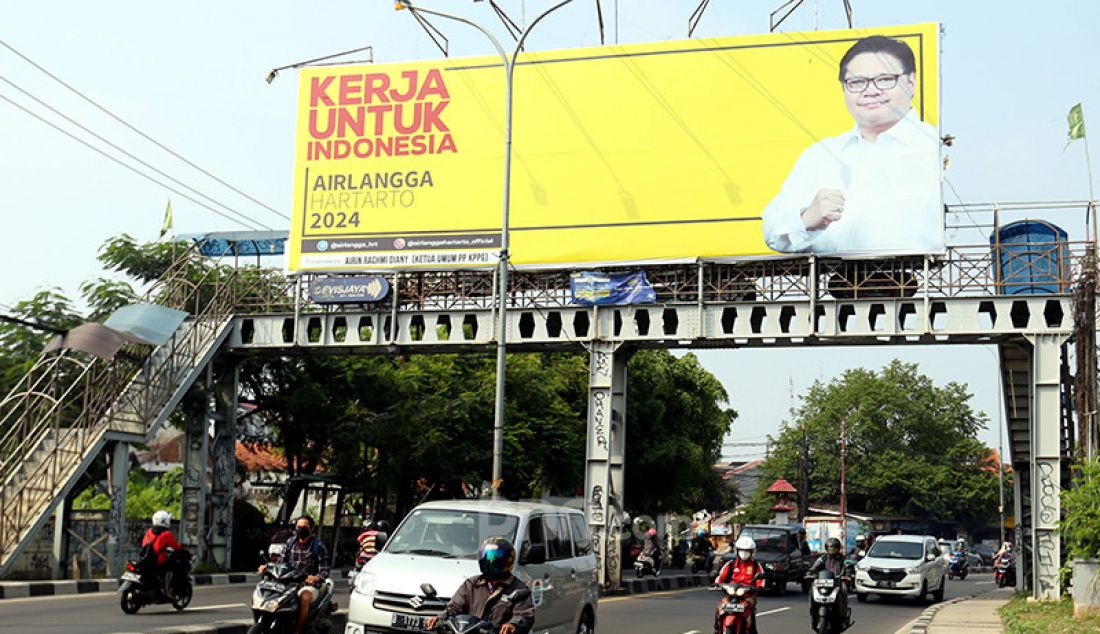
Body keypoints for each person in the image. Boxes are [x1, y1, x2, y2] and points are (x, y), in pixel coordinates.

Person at [761, 34, 942, 255]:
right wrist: (807, 219)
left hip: (924, 282)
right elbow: (771, 230)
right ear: (844, 88)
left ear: (911, 82)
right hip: (835, 283)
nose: (871, 90)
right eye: (857, 82)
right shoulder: (821, 155)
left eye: (885, 79)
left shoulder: (935, 149)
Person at [425, 537, 535, 634]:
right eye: (487, 558)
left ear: (507, 561)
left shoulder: (518, 589)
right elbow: (454, 607)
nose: (490, 562)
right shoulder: (472, 584)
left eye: (495, 558)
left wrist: (513, 625)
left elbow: (524, 616)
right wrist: (440, 618)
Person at [262, 515, 331, 634]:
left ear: (312, 528)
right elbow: (281, 562)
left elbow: (325, 570)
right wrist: (267, 567)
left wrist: (316, 577)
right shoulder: (290, 542)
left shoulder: (318, 546)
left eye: (304, 527)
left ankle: (297, 630)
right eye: (298, 527)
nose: (301, 529)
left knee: (304, 598)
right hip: (288, 583)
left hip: (307, 585)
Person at [713, 535, 765, 634]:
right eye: (741, 550)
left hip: (747, 596)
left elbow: (761, 580)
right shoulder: (730, 564)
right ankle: (717, 629)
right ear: (737, 551)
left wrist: (758, 588)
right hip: (731, 594)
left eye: (747, 551)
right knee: (719, 607)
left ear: (752, 552)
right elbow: (720, 578)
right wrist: (717, 584)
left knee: (750, 614)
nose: (744, 553)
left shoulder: (755, 565)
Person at [807, 537, 851, 631]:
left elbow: (848, 566)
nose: (832, 551)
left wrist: (847, 574)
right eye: (830, 549)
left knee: (844, 589)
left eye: (834, 548)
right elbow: (815, 566)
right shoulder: (822, 558)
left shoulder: (843, 558)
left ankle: (843, 615)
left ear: (838, 549)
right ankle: (813, 615)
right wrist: (810, 573)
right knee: (812, 590)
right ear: (826, 549)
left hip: (837, 582)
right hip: (823, 582)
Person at [140, 510, 183, 597]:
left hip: (145, 561)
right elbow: (176, 547)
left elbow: (143, 544)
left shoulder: (149, 532)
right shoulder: (167, 534)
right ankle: (171, 590)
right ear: (165, 521)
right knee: (178, 567)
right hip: (158, 563)